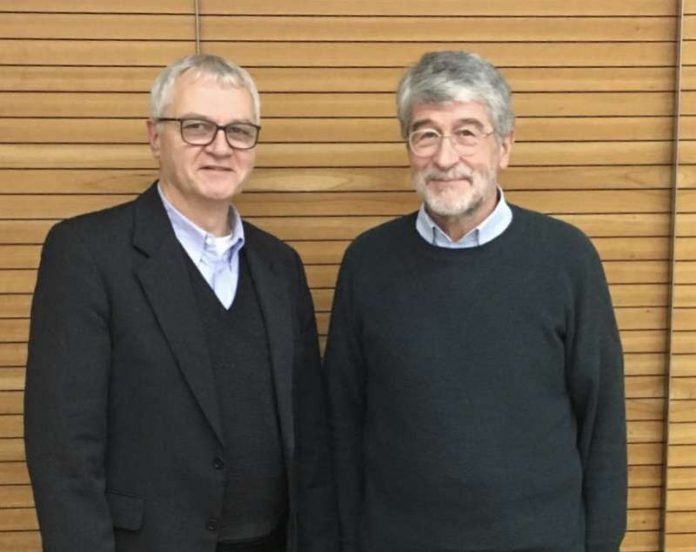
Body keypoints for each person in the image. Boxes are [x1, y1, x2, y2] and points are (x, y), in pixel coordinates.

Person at [24, 54, 336, 552]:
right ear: (154, 136)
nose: (220, 147)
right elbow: (63, 451)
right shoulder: (86, 254)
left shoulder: (281, 266)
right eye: (196, 127)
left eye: (238, 130)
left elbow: (312, 440)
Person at [324, 51, 627, 552]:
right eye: (426, 134)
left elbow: (603, 428)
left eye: (467, 132)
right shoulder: (367, 263)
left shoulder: (567, 258)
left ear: (504, 147)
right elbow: (341, 422)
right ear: (408, 148)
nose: (446, 158)